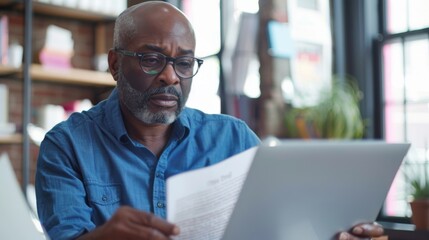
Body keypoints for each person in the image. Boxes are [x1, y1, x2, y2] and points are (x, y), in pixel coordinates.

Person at [35, 1, 384, 240]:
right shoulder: (66, 146)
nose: (170, 77)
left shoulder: (233, 140)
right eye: (151, 59)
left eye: (184, 63)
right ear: (114, 64)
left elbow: (280, 228)